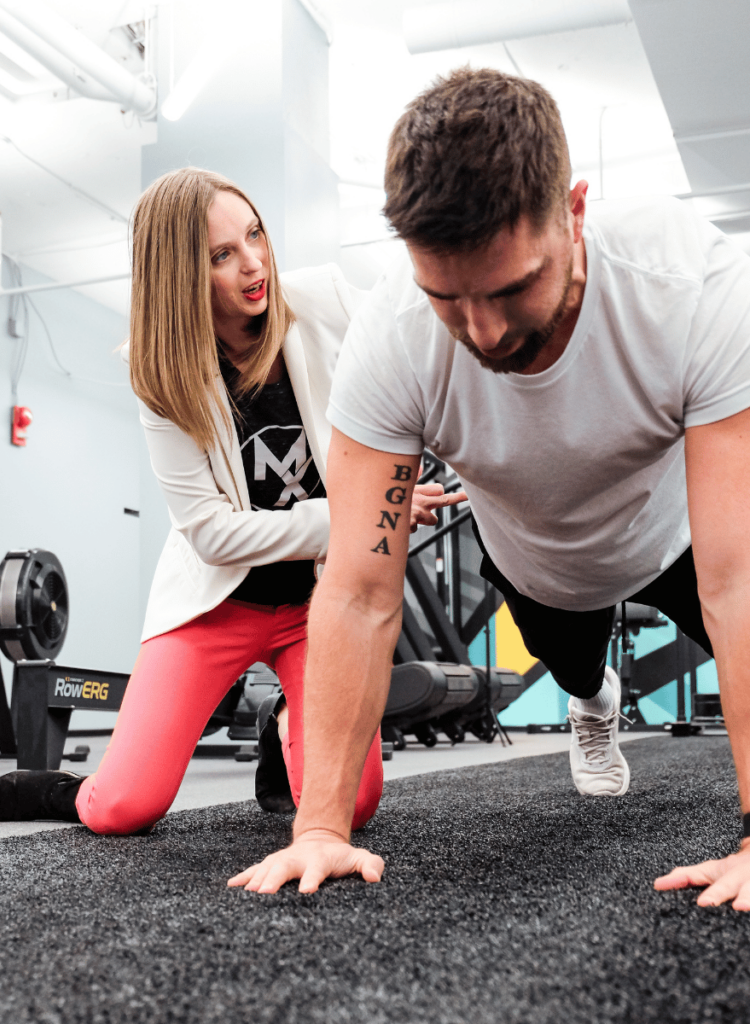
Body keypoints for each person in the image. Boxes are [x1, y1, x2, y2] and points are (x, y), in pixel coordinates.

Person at [230, 67, 750, 910]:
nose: (484, 332)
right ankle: (595, 702)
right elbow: (360, 593)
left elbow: (742, 579)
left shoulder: (690, 286)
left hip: (676, 537)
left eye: (512, 288)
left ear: (575, 212)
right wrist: (320, 828)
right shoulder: (392, 342)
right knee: (578, 668)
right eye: (448, 298)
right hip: (540, 563)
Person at [0, 168, 459, 835]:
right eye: (221, 255)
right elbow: (212, 534)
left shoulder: (322, 300)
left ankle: (283, 721)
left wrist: (397, 484)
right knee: (123, 810)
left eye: (255, 235)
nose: (255, 263)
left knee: (352, 806)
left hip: (314, 606)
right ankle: (53, 789)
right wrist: (345, 518)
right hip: (217, 601)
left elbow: (413, 361)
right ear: (182, 275)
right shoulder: (162, 377)